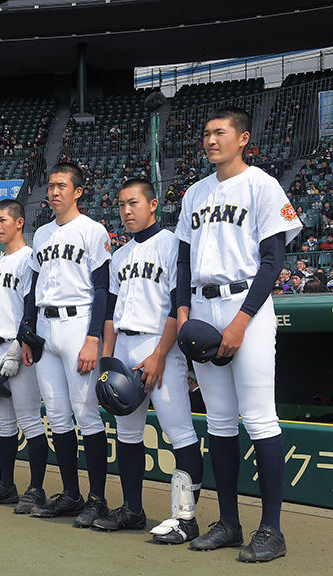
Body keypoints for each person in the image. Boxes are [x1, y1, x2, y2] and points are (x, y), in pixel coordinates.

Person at [175, 106, 301, 562]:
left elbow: (273, 261)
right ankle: (228, 522)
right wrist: (185, 311)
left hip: (245, 303)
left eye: (220, 132)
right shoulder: (195, 192)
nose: (211, 140)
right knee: (221, 421)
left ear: (243, 138)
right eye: (206, 133)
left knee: (259, 417)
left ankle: (272, 530)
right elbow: (184, 261)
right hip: (204, 306)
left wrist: (242, 320)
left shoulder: (262, 185)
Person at [98, 179, 204, 542]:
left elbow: (179, 305)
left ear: (153, 204)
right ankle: (132, 510)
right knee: (127, 435)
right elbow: (110, 313)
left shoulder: (171, 244)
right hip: (124, 347)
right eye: (122, 205)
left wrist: (159, 355)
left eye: (134, 203)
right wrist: (107, 358)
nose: (127, 211)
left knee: (180, 434)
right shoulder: (120, 254)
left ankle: (185, 519)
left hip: (159, 345)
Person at [24, 162, 111, 527]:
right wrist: (26, 334)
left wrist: (94, 339)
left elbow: (103, 287)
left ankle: (98, 499)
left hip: (78, 325)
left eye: (62, 185)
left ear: (78, 191)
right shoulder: (41, 234)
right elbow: (32, 288)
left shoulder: (92, 230)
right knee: (57, 416)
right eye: (51, 185)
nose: (54, 191)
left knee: (87, 414)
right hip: (46, 326)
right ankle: (72, 494)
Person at [0, 199, 50, 513]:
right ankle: (5, 486)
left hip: (21, 350)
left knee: (29, 420)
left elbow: (31, 306)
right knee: (3, 423)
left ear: (19, 222)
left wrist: (20, 345)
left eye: (3, 220)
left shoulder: (29, 259)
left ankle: (36, 488)